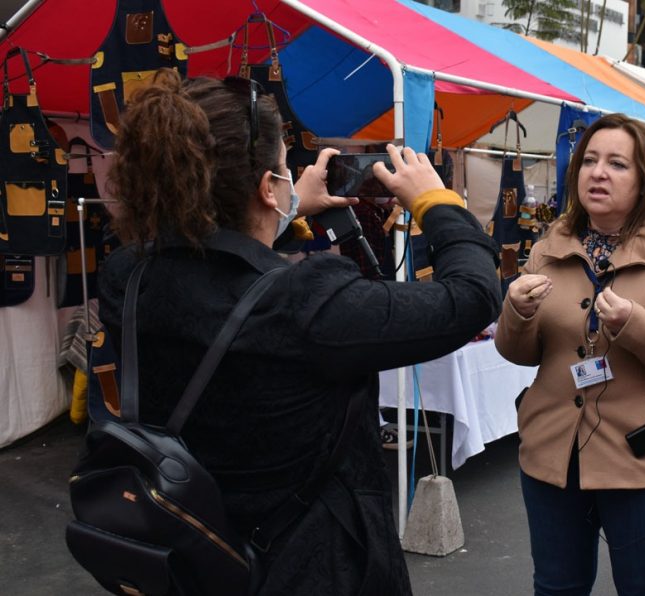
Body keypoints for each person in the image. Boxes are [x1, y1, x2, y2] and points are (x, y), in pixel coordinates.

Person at [97, 69, 501, 595]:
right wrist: (436, 201)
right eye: (286, 171)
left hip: (189, 550)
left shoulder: (128, 276)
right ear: (267, 187)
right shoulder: (305, 303)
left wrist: (283, 212)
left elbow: (215, 272)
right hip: (309, 564)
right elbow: (470, 297)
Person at [494, 113, 645, 596]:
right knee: (557, 586)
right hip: (552, 455)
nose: (598, 173)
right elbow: (520, 354)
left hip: (643, 460)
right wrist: (515, 311)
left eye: (618, 164)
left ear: (644, 181)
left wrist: (634, 326)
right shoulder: (550, 245)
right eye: (590, 161)